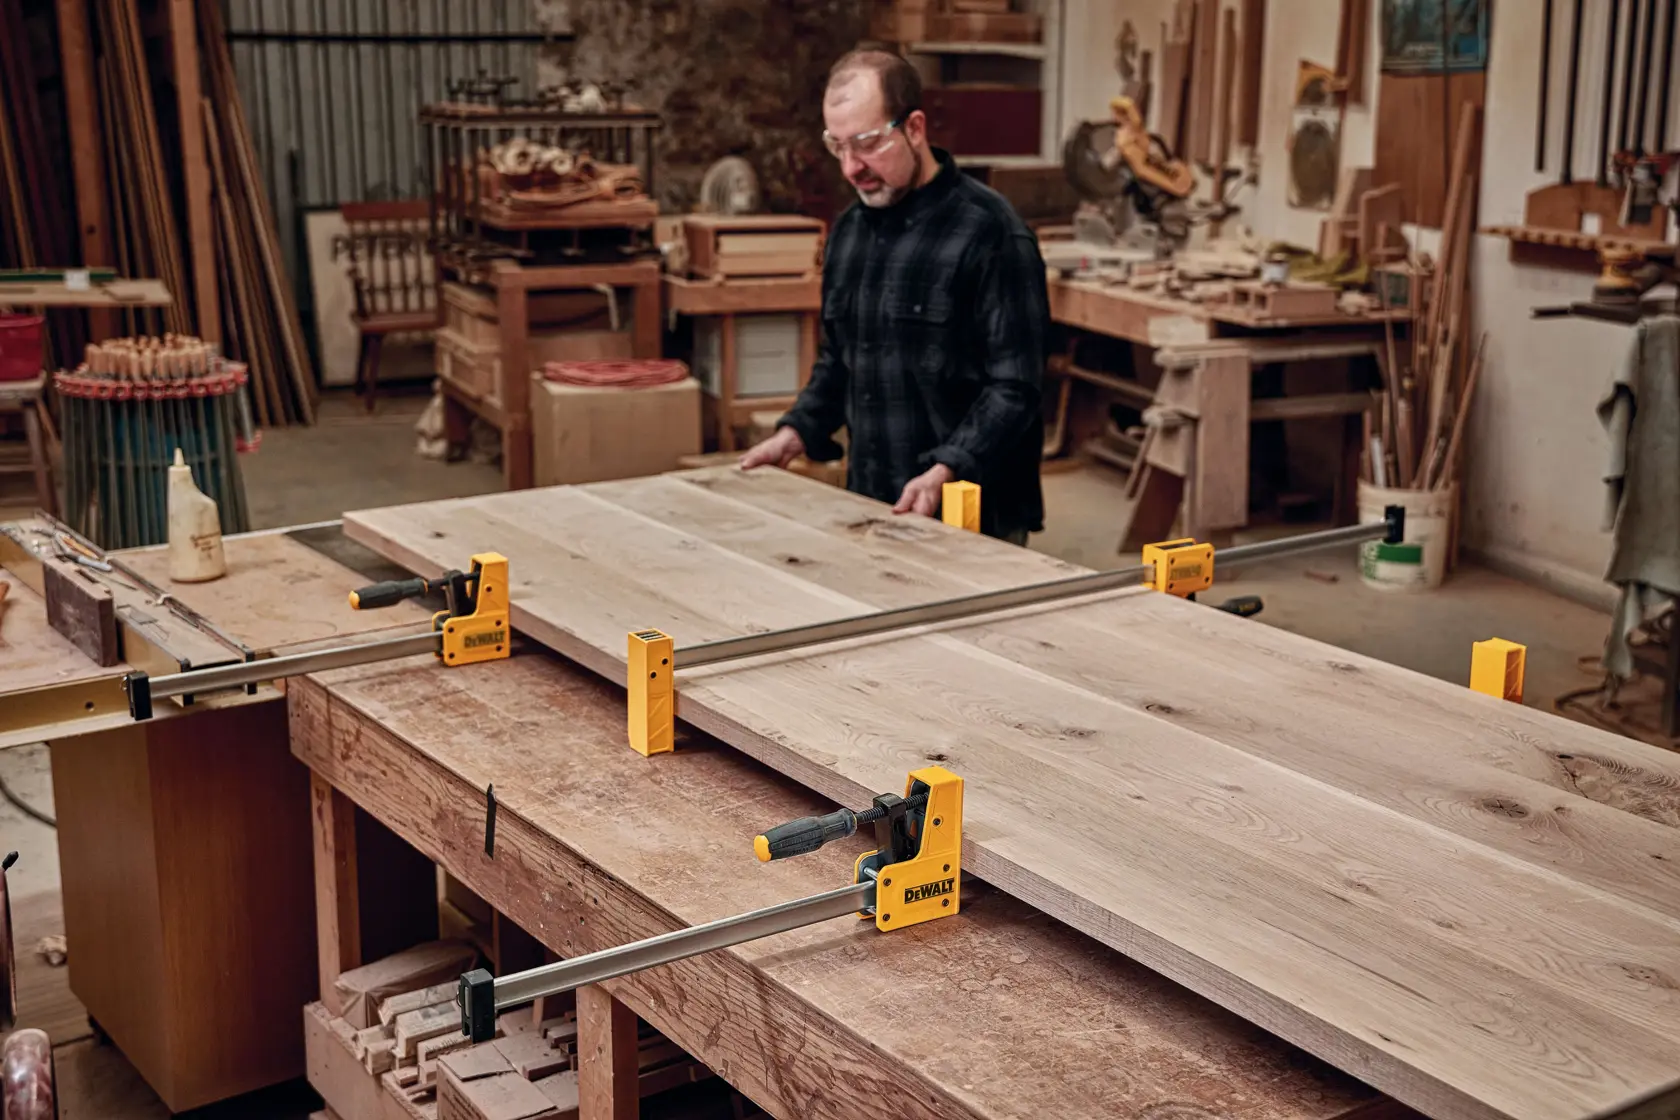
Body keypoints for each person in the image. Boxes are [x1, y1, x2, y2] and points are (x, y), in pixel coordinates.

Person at [738, 48, 1049, 545]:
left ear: (916, 128)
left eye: (865, 144)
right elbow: (839, 360)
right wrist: (796, 432)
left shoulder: (991, 233)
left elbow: (1016, 388)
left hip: (973, 514)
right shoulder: (848, 233)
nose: (850, 168)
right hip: (872, 501)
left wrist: (946, 469)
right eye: (836, 147)